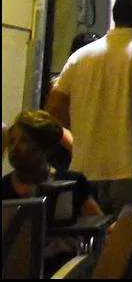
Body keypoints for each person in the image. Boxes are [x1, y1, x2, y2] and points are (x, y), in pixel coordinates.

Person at [44, 0, 132, 216]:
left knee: (89, 239)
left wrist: (79, 136)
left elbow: (52, 111)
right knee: (129, 242)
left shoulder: (80, 57)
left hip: (86, 167)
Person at [3, 111, 105, 277]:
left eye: (24, 141)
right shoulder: (3, 187)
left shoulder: (73, 183)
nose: (15, 148)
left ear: (44, 147)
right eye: (12, 141)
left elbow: (97, 227)